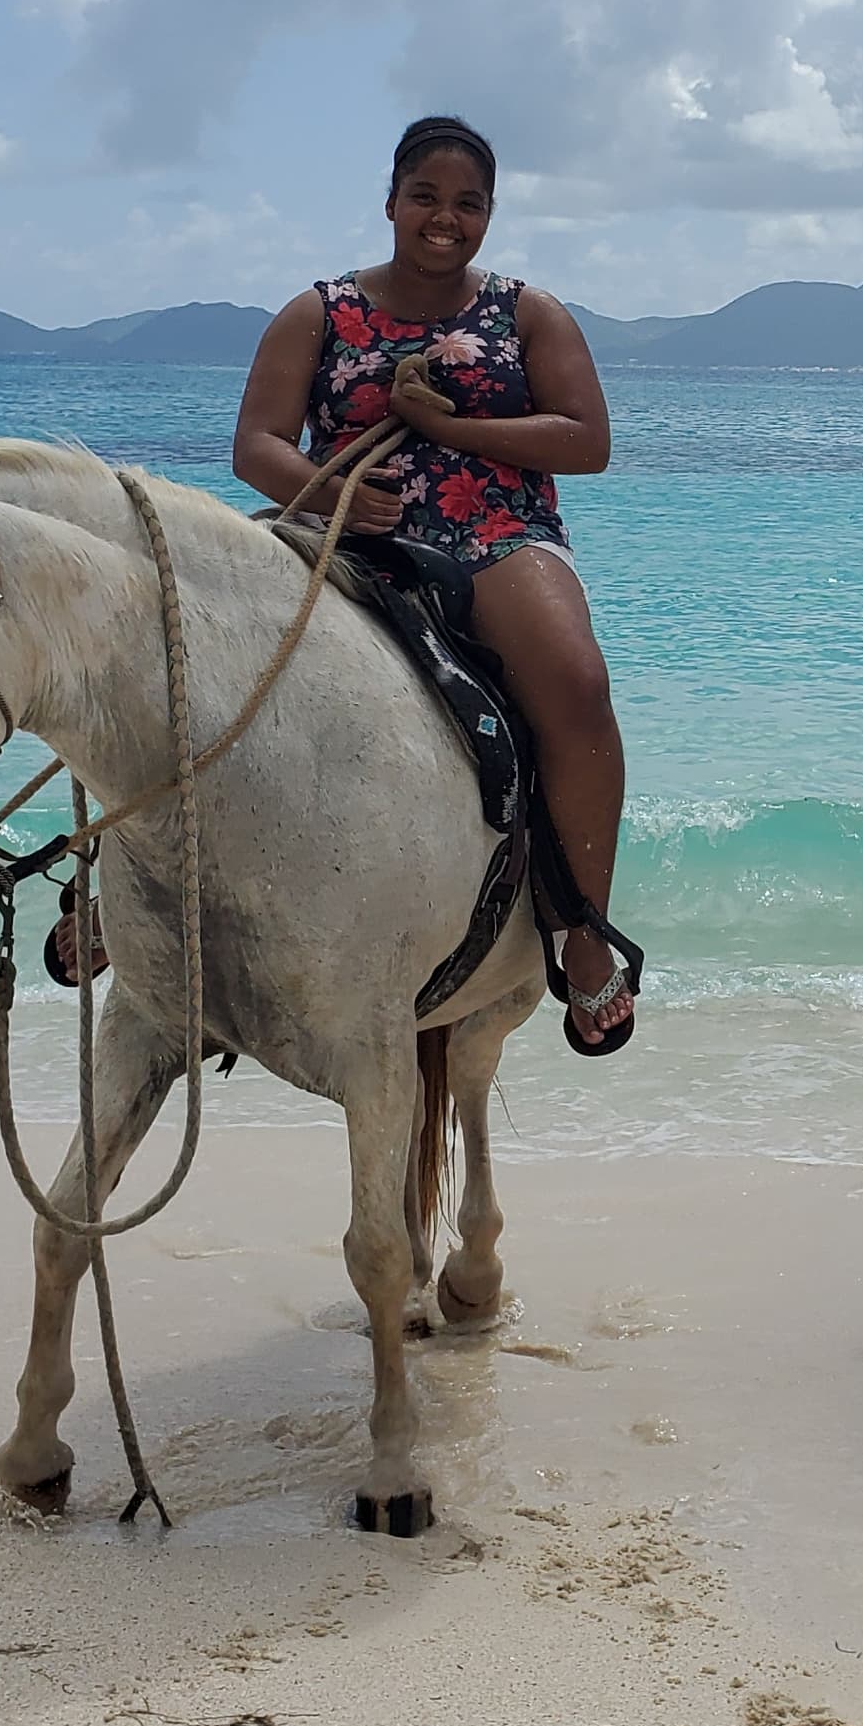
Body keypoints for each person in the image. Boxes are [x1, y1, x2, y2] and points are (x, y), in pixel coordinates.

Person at [229, 115, 640, 1052]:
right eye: (425, 197)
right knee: (195, 652)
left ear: (490, 215)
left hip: (494, 530)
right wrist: (324, 490)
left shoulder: (528, 313)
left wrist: (451, 430)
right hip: (343, 529)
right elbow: (257, 444)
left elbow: (587, 441)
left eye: (468, 203)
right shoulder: (318, 312)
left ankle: (582, 931)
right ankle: (121, 896)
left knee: (578, 687)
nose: (445, 218)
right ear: (391, 203)